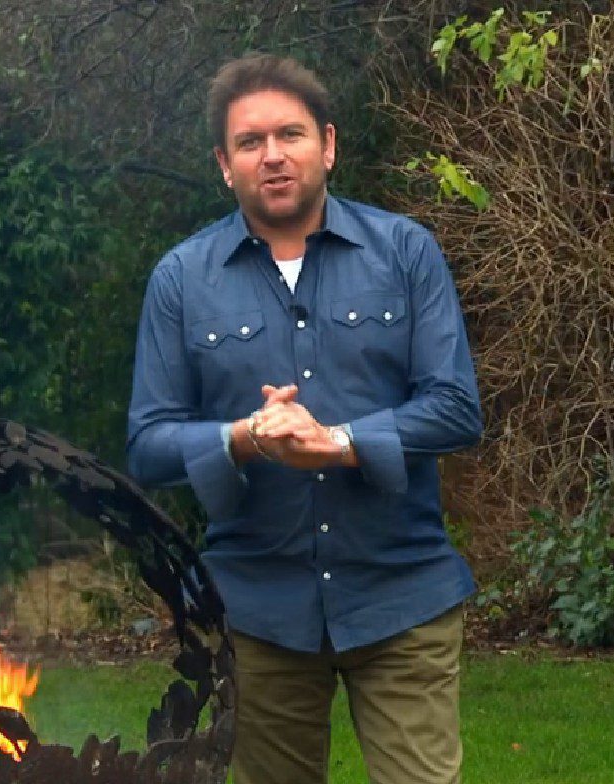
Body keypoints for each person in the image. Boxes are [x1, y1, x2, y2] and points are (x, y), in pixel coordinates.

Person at [126, 52, 482, 784]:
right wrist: (242, 438)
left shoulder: (406, 252)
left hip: (402, 598)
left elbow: (454, 409)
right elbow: (149, 446)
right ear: (226, 166)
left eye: (289, 134)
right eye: (250, 143)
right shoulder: (180, 280)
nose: (273, 155)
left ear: (328, 144)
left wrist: (342, 444)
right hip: (259, 612)